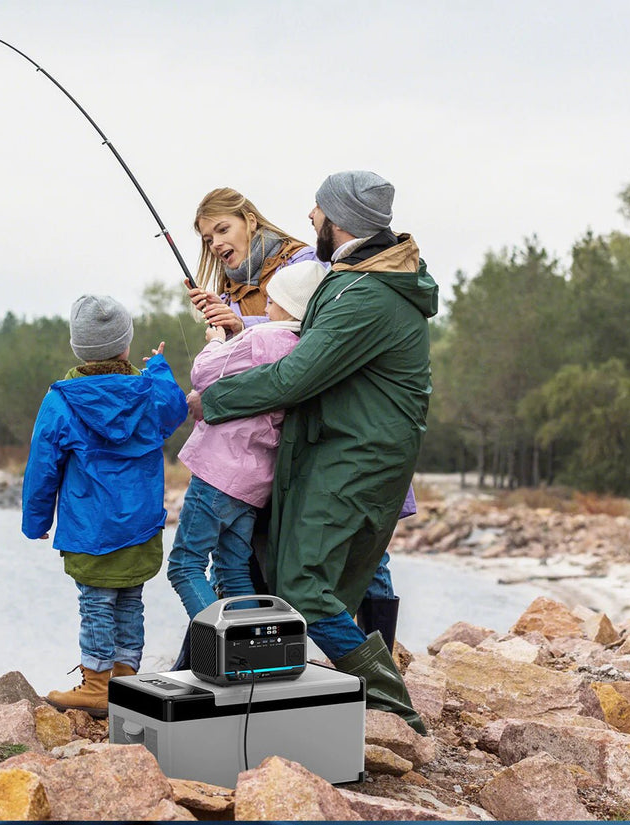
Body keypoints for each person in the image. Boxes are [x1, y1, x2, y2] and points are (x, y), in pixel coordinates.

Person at [190, 171, 437, 734]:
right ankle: (301, 696)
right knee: (301, 575)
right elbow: (301, 340)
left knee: (304, 585)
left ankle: (394, 709)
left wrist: (213, 400)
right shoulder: (357, 280)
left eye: (318, 209)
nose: (308, 217)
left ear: (340, 218)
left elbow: (295, 374)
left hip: (357, 456)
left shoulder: (366, 294)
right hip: (347, 450)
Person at [21, 294, 188, 716]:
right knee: (130, 599)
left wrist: (36, 520)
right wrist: (160, 369)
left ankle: (96, 684)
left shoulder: (62, 400)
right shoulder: (149, 391)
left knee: (95, 602)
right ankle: (126, 679)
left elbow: (43, 465)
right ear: (126, 345)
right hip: (140, 523)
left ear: (78, 349)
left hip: (89, 527)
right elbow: (175, 408)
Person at [168, 261, 328, 621]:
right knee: (233, 568)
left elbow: (203, 373)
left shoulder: (262, 337)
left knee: (184, 565)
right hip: (255, 483)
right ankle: (255, 658)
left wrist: (217, 341)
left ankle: (226, 648)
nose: (266, 308)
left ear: (288, 304)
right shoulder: (303, 350)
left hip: (217, 475)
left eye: (272, 301)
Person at [187, 187, 320, 336]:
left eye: (223, 230)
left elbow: (320, 326)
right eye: (209, 240)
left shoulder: (305, 263)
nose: (216, 244)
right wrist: (225, 328)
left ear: (251, 221)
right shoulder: (227, 301)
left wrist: (243, 324)